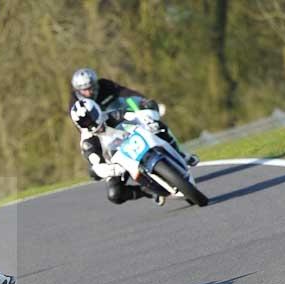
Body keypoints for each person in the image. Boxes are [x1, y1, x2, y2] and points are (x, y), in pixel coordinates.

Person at [69, 67, 199, 170]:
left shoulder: (105, 85)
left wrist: (143, 103)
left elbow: (125, 93)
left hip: (119, 115)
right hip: (102, 131)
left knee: (155, 125)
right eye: (84, 90)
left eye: (91, 88)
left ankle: (180, 153)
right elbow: (80, 126)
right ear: (78, 90)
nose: (89, 92)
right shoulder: (75, 103)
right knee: (105, 166)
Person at [70, 97, 166, 205]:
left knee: (159, 127)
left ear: (97, 110)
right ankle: (148, 191)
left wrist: (148, 122)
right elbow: (96, 165)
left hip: (136, 144)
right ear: (79, 125)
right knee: (114, 194)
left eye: (91, 116)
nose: (91, 122)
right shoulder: (87, 142)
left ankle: (181, 154)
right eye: (85, 122)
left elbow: (134, 116)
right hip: (118, 163)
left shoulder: (113, 115)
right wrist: (113, 169)